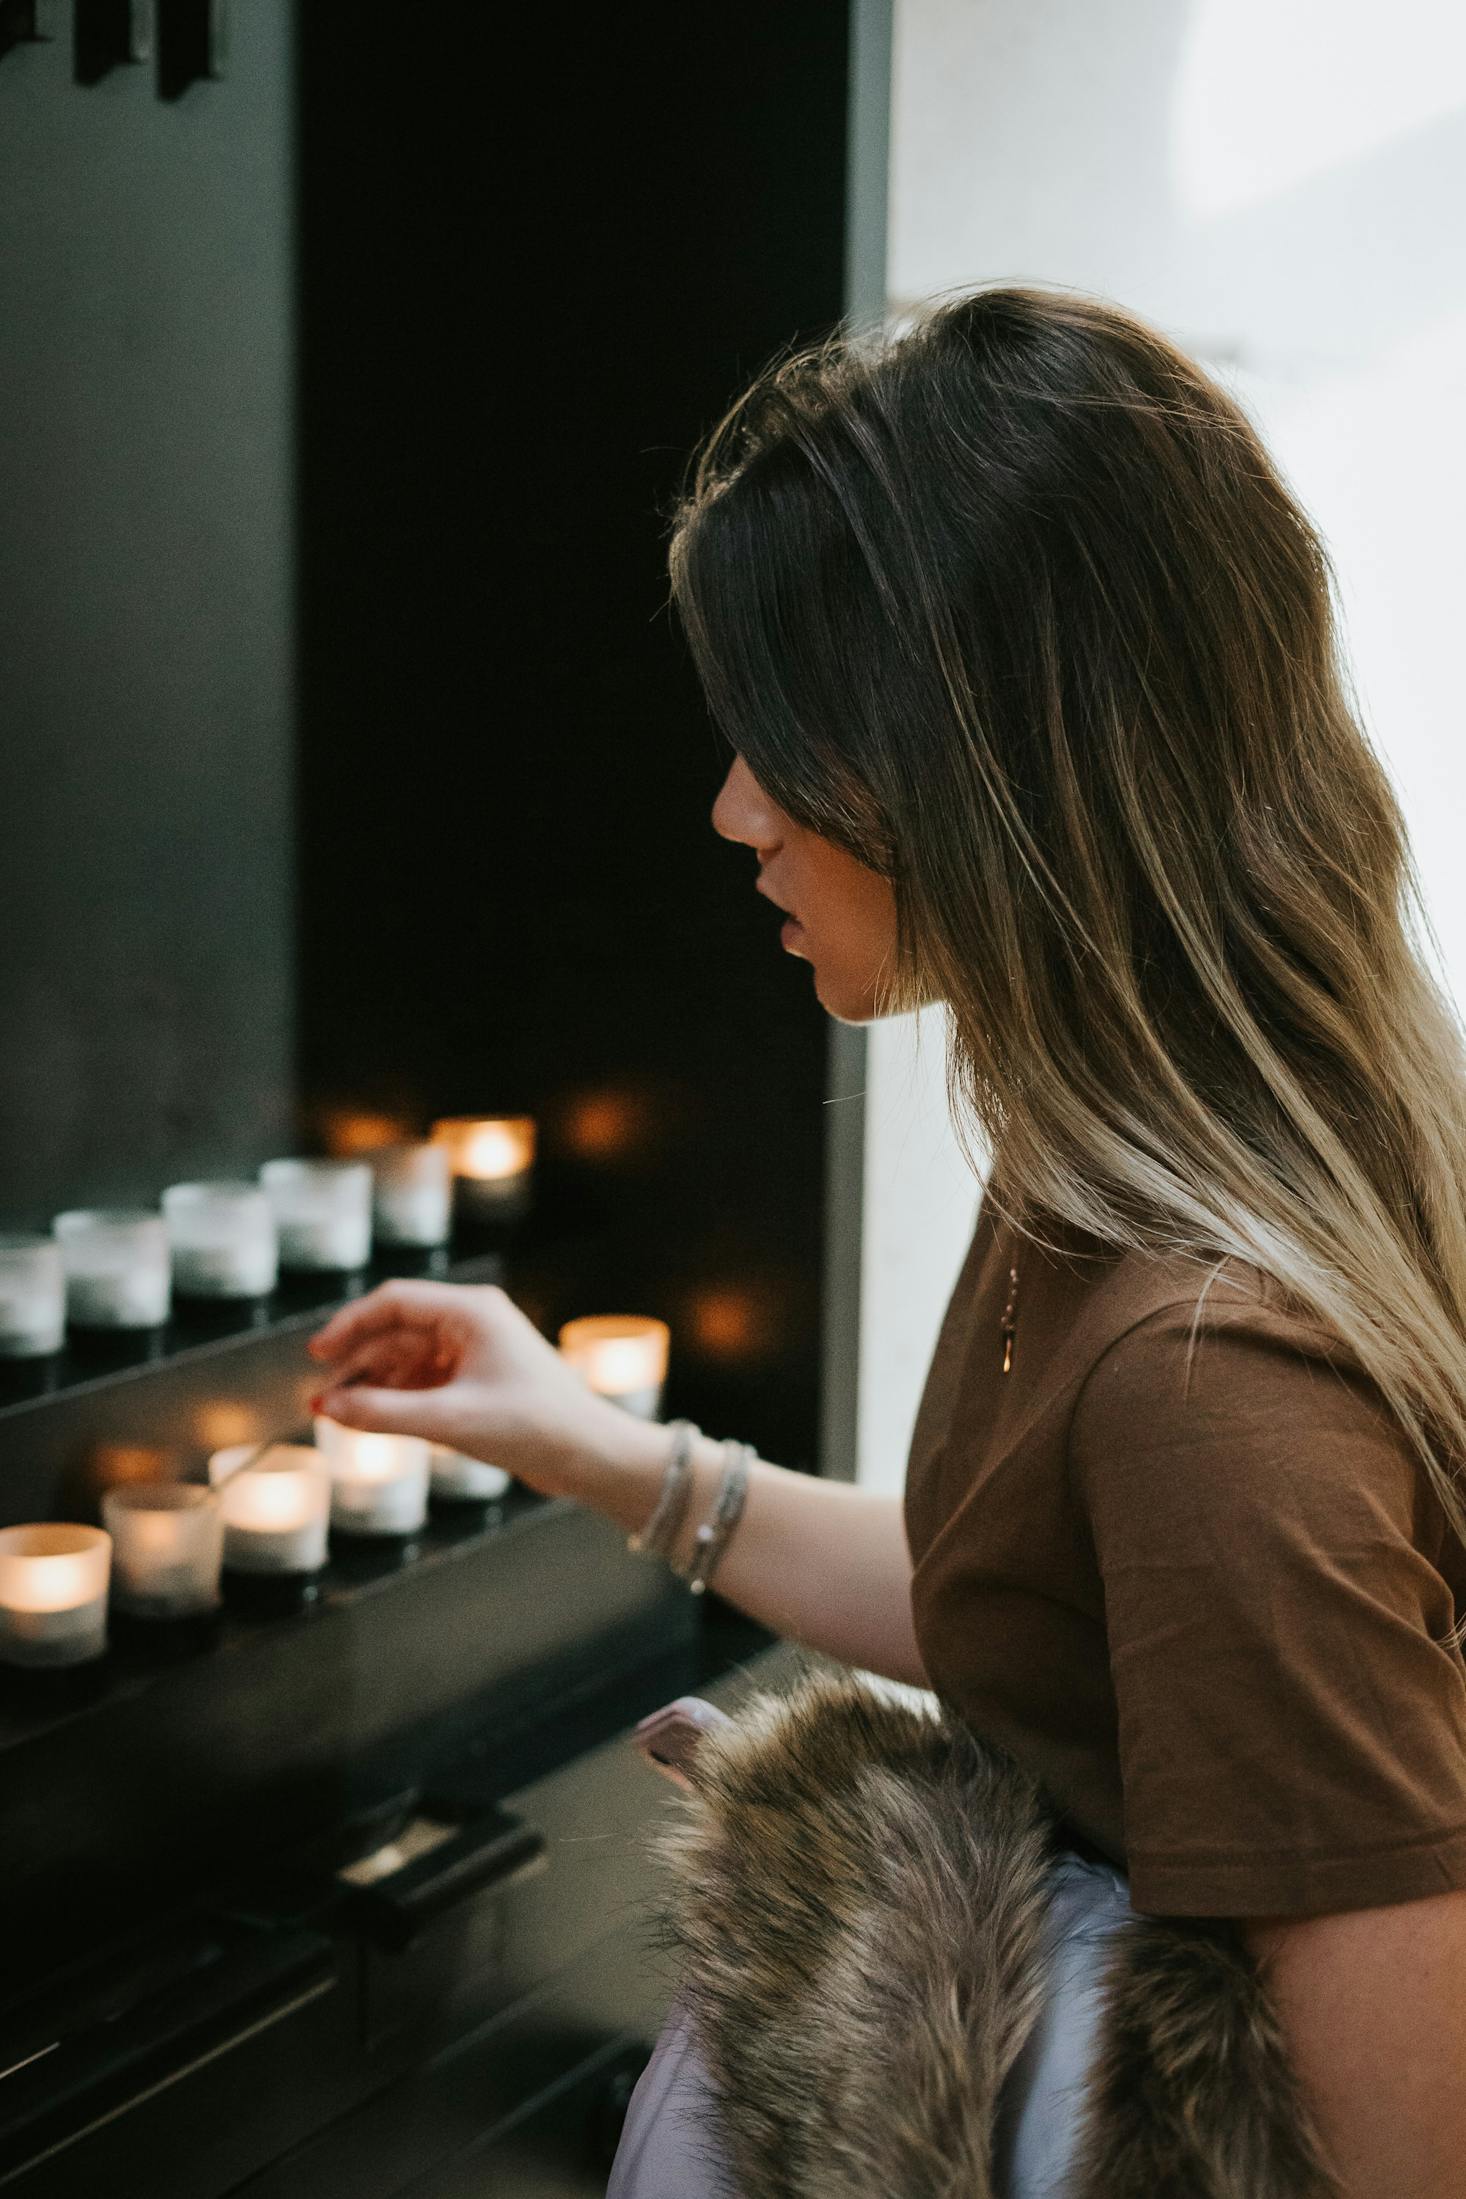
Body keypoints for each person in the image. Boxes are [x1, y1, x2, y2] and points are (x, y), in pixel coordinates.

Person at [307, 286, 1466, 2197]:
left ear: (1001, 766)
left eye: (788, 739)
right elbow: (1048, 1628)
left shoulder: (1211, 1381)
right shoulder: (1120, 1158)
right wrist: (598, 1451)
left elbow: (1405, 2146)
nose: (732, 808)